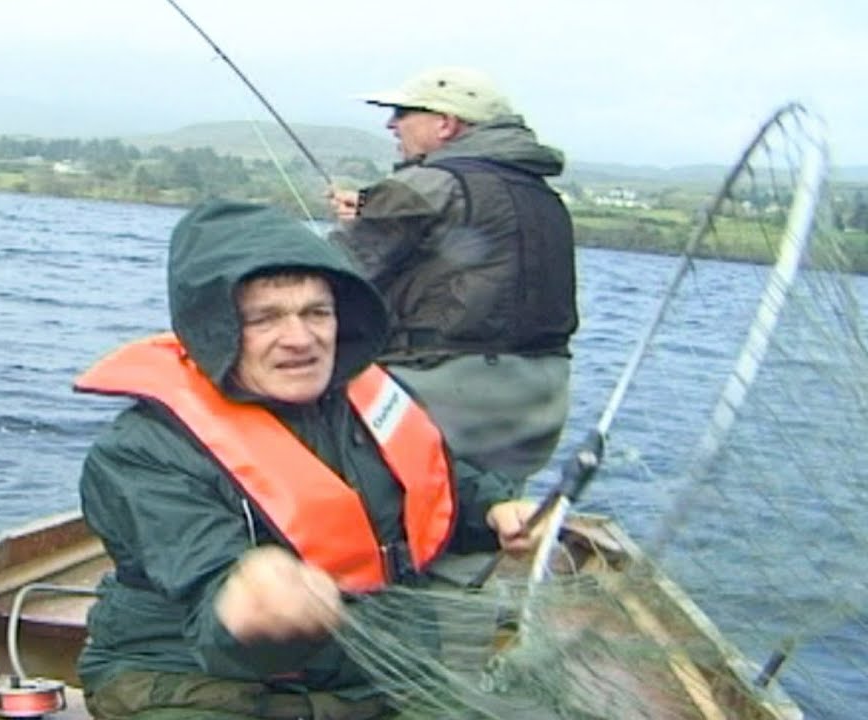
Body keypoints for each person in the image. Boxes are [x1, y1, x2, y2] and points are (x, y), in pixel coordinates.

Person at [72, 198, 541, 719]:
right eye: (265, 318)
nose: (300, 339)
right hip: (196, 680)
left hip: (373, 677)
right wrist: (251, 610)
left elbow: (442, 481)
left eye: (317, 312)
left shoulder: (366, 398)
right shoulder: (139, 454)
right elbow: (211, 610)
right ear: (216, 328)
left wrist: (497, 511)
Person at [328, 66, 578, 485]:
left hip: (443, 395)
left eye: (403, 112)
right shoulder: (544, 197)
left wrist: (361, 225)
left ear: (445, 123)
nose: (392, 124)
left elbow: (332, 272)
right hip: (540, 407)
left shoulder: (427, 183)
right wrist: (376, 211)